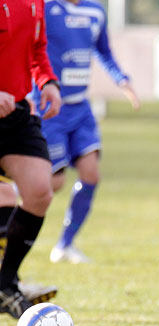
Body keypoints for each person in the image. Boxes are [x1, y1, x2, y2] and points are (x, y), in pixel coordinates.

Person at [30, 0, 138, 264]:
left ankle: (65, 244)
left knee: (91, 172)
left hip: (81, 109)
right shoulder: (45, 8)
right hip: (50, 108)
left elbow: (103, 51)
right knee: (52, 183)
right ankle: (9, 213)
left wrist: (122, 80)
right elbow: (30, 49)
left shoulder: (95, 11)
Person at [0, 0, 62, 318]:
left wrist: (47, 82)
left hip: (16, 113)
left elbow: (36, 49)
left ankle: (5, 282)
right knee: (3, 196)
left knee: (39, 191)